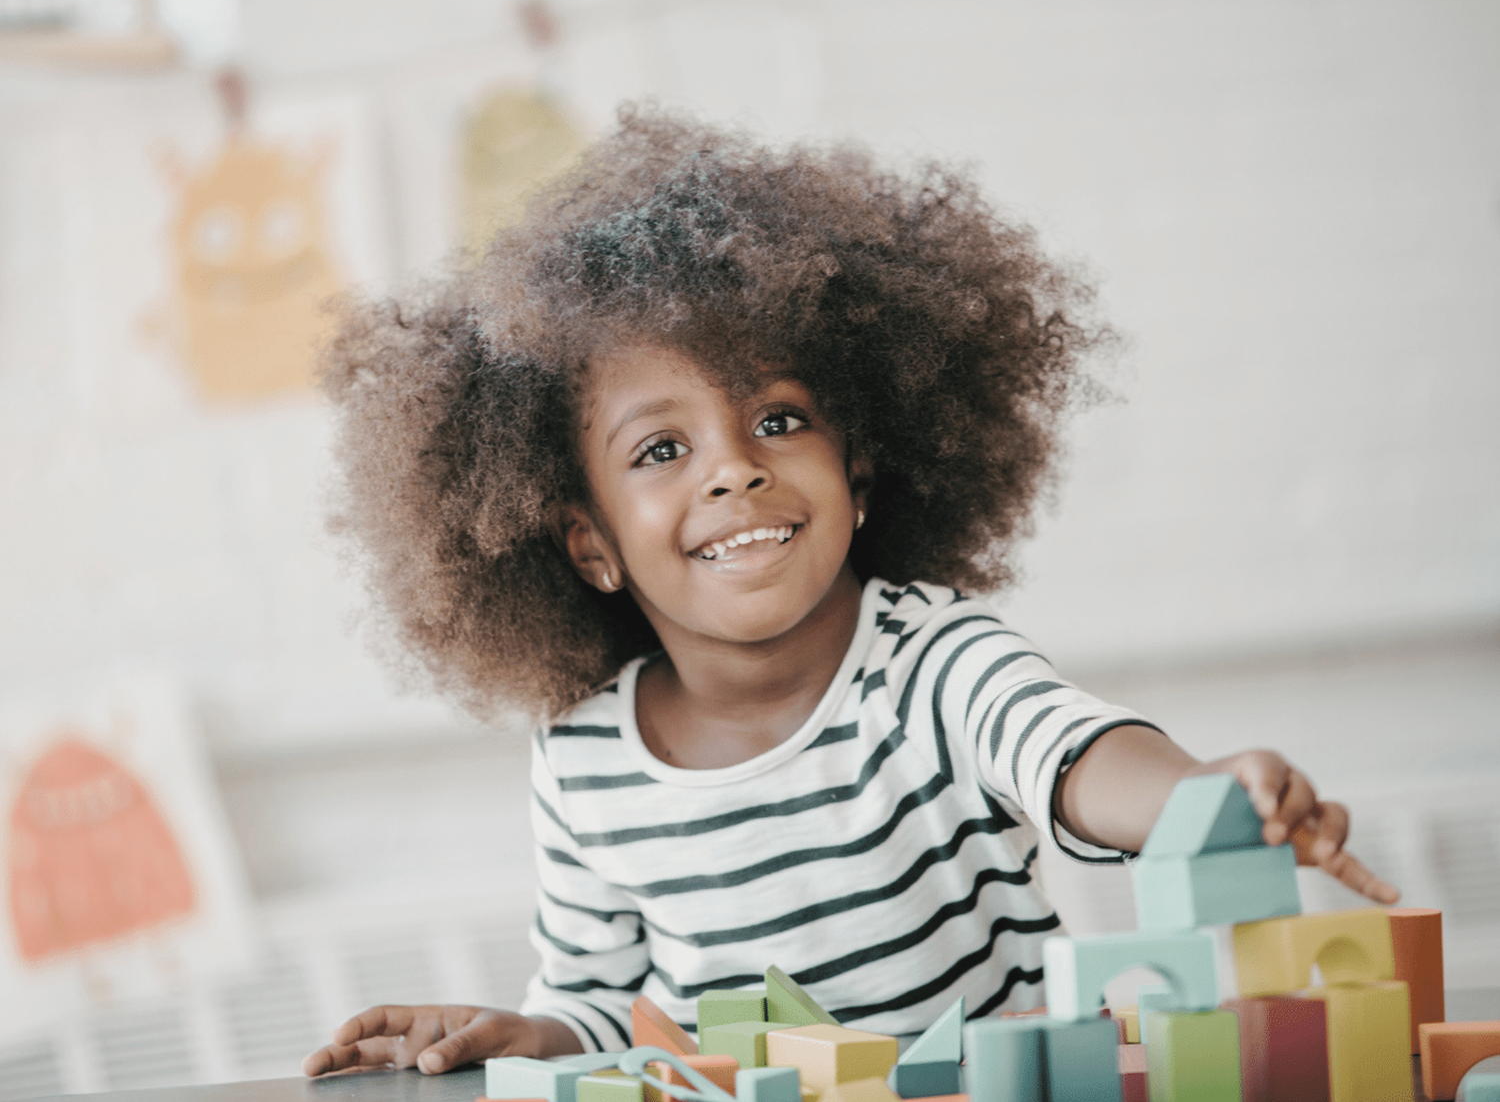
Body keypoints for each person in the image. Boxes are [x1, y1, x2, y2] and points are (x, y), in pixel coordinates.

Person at [302, 106, 1397, 1078]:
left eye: (778, 420)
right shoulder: (584, 758)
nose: (734, 468)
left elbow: (1073, 757)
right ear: (590, 546)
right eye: (661, 450)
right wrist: (525, 1034)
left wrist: (1204, 799)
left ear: (858, 472)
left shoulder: (935, 661)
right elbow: (597, 1004)